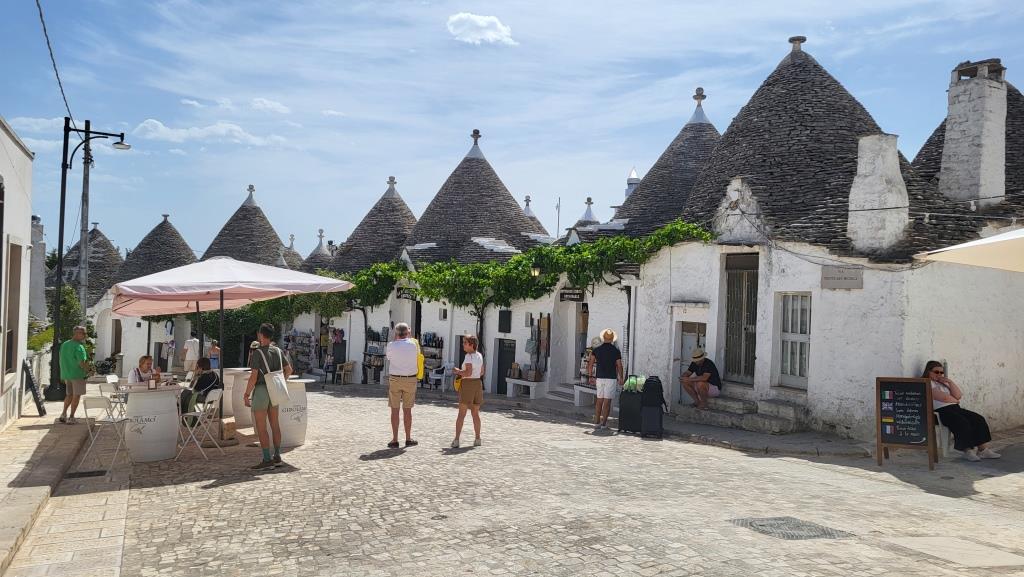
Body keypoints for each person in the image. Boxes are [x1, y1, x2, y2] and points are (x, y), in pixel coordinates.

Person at [923, 361, 1000, 461]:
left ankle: (983, 450)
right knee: (962, 422)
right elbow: (943, 398)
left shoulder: (943, 383)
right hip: (940, 412)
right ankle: (967, 451)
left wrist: (950, 382)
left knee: (978, 419)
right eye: (936, 372)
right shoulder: (927, 383)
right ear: (928, 371)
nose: (939, 374)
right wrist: (955, 400)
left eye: (941, 372)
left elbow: (958, 395)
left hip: (955, 408)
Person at [244, 323, 293, 470]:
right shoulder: (278, 351)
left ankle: (267, 459)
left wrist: (246, 394)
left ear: (260, 335)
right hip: (275, 390)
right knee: (275, 424)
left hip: (261, 390)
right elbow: (289, 370)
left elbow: (253, 377)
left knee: (261, 427)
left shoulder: (257, 353)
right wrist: (281, 381)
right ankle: (277, 456)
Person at [384, 323, 419, 449]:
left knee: (395, 410)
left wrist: (396, 338)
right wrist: (409, 335)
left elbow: (389, 357)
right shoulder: (414, 345)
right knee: (407, 410)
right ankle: (408, 438)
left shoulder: (391, 345)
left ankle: (395, 439)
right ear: (407, 332)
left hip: (395, 379)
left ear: (396, 333)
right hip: (410, 379)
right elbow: (417, 354)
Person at [451, 334, 485, 448]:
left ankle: (456, 440)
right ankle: (478, 438)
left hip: (468, 384)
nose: (463, 345)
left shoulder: (468, 356)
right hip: (477, 383)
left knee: (462, 414)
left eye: (465, 343)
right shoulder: (479, 355)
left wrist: (457, 371)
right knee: (475, 413)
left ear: (471, 344)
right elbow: (482, 372)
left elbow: (468, 373)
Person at [586, 329, 623, 430]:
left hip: (600, 378)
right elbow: (619, 365)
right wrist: (621, 377)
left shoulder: (597, 350)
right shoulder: (616, 351)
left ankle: (597, 422)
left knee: (599, 400)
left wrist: (590, 376)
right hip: (611, 378)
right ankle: (603, 424)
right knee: (607, 401)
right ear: (612, 339)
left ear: (603, 338)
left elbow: (590, 364)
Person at [58, 326, 90, 424]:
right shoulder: (79, 347)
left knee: (69, 395)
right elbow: (81, 363)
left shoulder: (65, 344)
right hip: (77, 374)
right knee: (76, 396)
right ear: (77, 333)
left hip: (67, 374)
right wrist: (88, 370)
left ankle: (63, 414)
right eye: (83, 333)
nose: (85, 335)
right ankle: (71, 417)